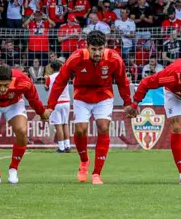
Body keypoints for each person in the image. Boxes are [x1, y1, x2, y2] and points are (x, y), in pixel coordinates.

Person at [46, 30, 136, 185]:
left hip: (104, 95)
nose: (97, 52)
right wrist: (50, 106)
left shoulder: (114, 59)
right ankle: (84, 162)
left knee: (103, 127)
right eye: (94, 49)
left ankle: (97, 173)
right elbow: (60, 81)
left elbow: (123, 82)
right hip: (82, 95)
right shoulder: (76, 58)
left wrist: (128, 103)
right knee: (80, 129)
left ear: (105, 47)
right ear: (87, 47)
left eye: (100, 48)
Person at [45, 60, 72, 153]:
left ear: (52, 68)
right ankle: (67, 145)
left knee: (58, 125)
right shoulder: (64, 76)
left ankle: (61, 147)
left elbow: (46, 87)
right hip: (66, 101)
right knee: (65, 124)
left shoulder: (49, 77)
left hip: (56, 102)